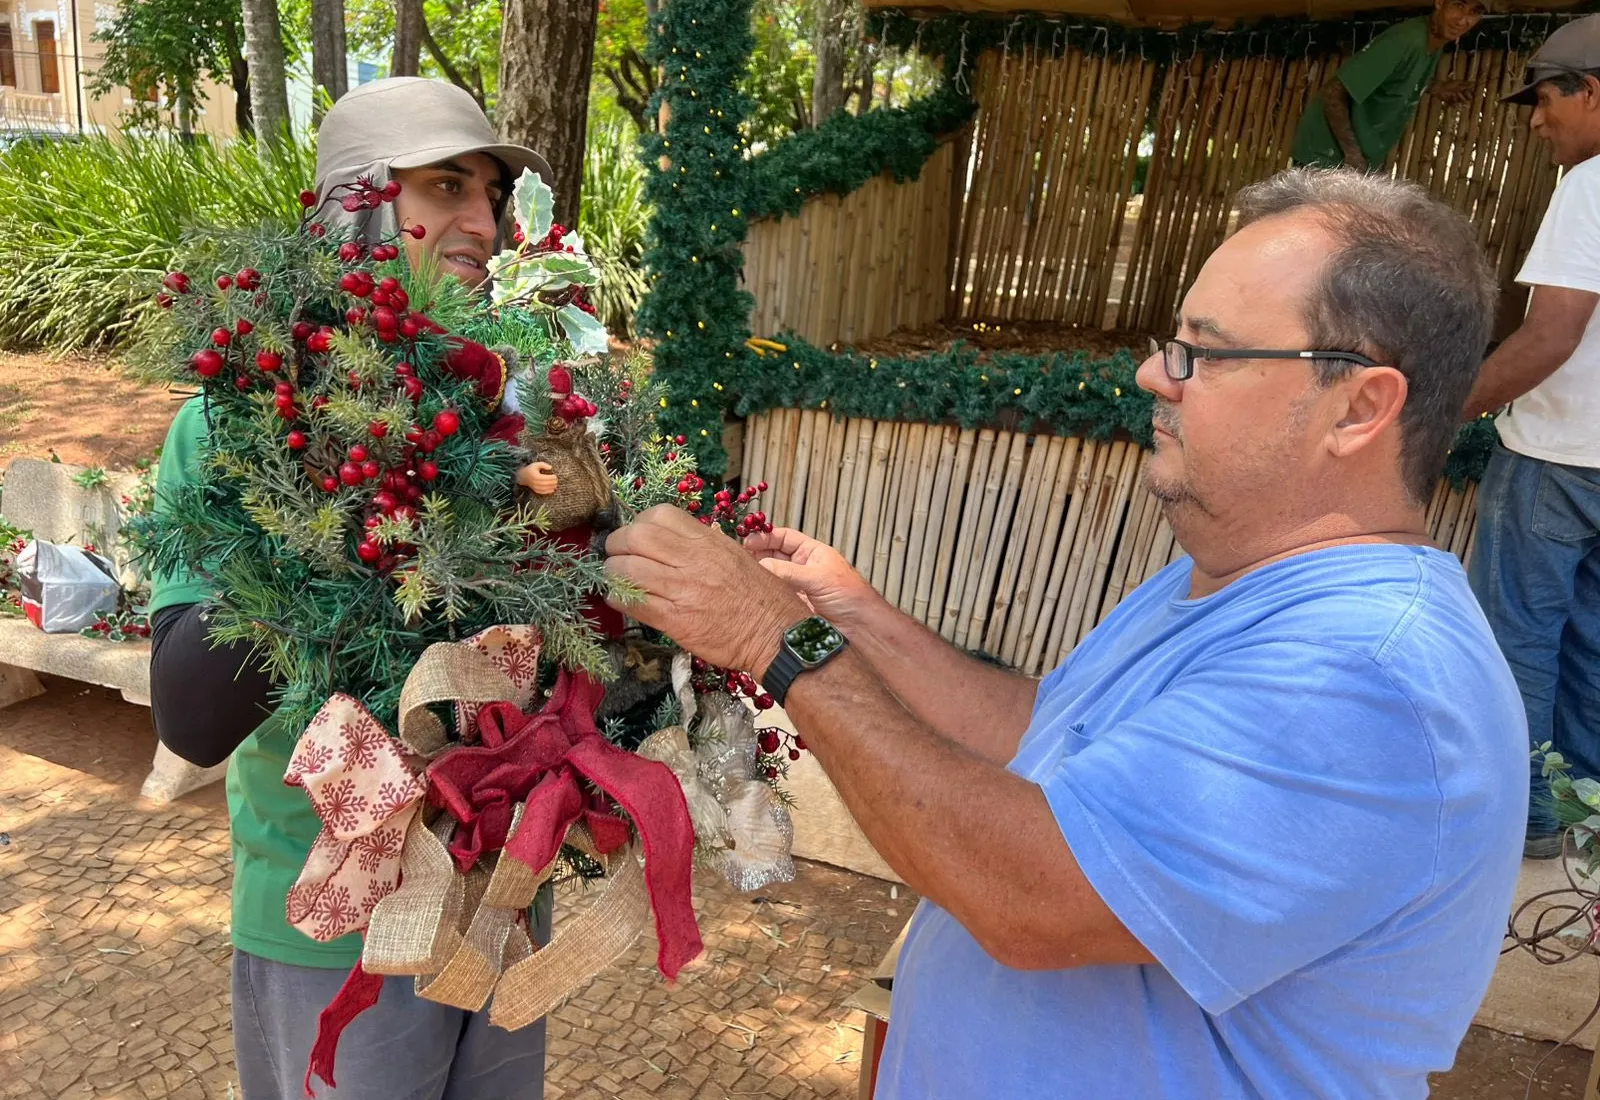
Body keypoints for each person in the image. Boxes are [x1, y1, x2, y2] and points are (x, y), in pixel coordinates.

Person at [604, 168, 1527, 1099]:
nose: (1153, 375)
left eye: (1204, 353)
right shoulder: (1236, 581)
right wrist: (854, 617)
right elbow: (1046, 736)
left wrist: (776, 638)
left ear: (1359, 407)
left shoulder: (1363, 676)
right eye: (1172, 343)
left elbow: (1032, 895)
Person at [147, 77, 553, 1100]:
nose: (484, 220)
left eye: (492, 193)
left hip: (501, 899)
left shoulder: (508, 421)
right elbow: (191, 715)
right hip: (334, 931)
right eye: (448, 184)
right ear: (355, 210)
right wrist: (338, 490)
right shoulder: (242, 422)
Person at [1463, 14, 1600, 860]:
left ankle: (1527, 821)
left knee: (1517, 640)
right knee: (1592, 646)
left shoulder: (1591, 185)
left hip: (1556, 457)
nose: (1537, 120)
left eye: (1548, 98)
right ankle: (1582, 812)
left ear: (1594, 92)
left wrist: (1447, 406)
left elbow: (1551, 335)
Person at [1292, 0, 1486, 172]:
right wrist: (1352, 154)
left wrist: (1436, 87)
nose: (1463, 20)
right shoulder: (1406, 40)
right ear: (1439, 2)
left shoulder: (1432, 41)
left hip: (1345, 159)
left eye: (1474, 11)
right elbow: (1333, 92)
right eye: (1458, 5)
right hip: (1325, 156)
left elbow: (1395, 77)